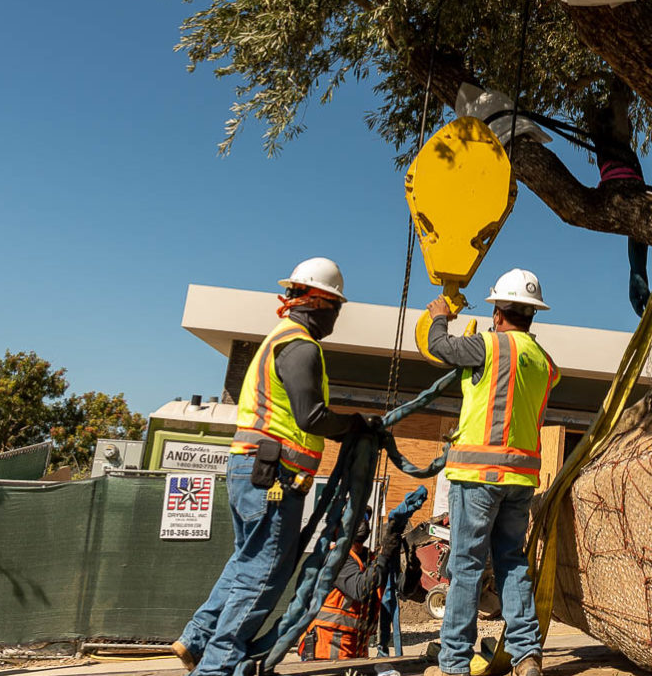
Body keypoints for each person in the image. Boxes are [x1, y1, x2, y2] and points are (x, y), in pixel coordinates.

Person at [173, 257, 374, 676]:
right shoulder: (301, 347)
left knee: (245, 562)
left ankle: (196, 638)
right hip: (274, 477)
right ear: (319, 303)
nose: (337, 315)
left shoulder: (277, 339)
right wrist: (355, 426)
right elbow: (311, 416)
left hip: (254, 470)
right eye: (336, 306)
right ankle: (217, 667)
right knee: (261, 575)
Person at [419, 268, 560, 676]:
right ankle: (527, 656)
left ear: (498, 311)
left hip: (479, 475)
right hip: (520, 481)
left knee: (465, 566)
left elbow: (439, 346)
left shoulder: (490, 346)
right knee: (512, 563)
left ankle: (453, 664)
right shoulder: (544, 362)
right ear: (533, 314)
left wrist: (441, 313)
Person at [296, 512, 403, 661]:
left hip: (354, 649)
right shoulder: (336, 559)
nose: (362, 523)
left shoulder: (372, 560)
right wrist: (384, 555)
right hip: (326, 648)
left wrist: (413, 568)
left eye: (364, 519)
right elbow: (360, 589)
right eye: (355, 519)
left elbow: (403, 589)